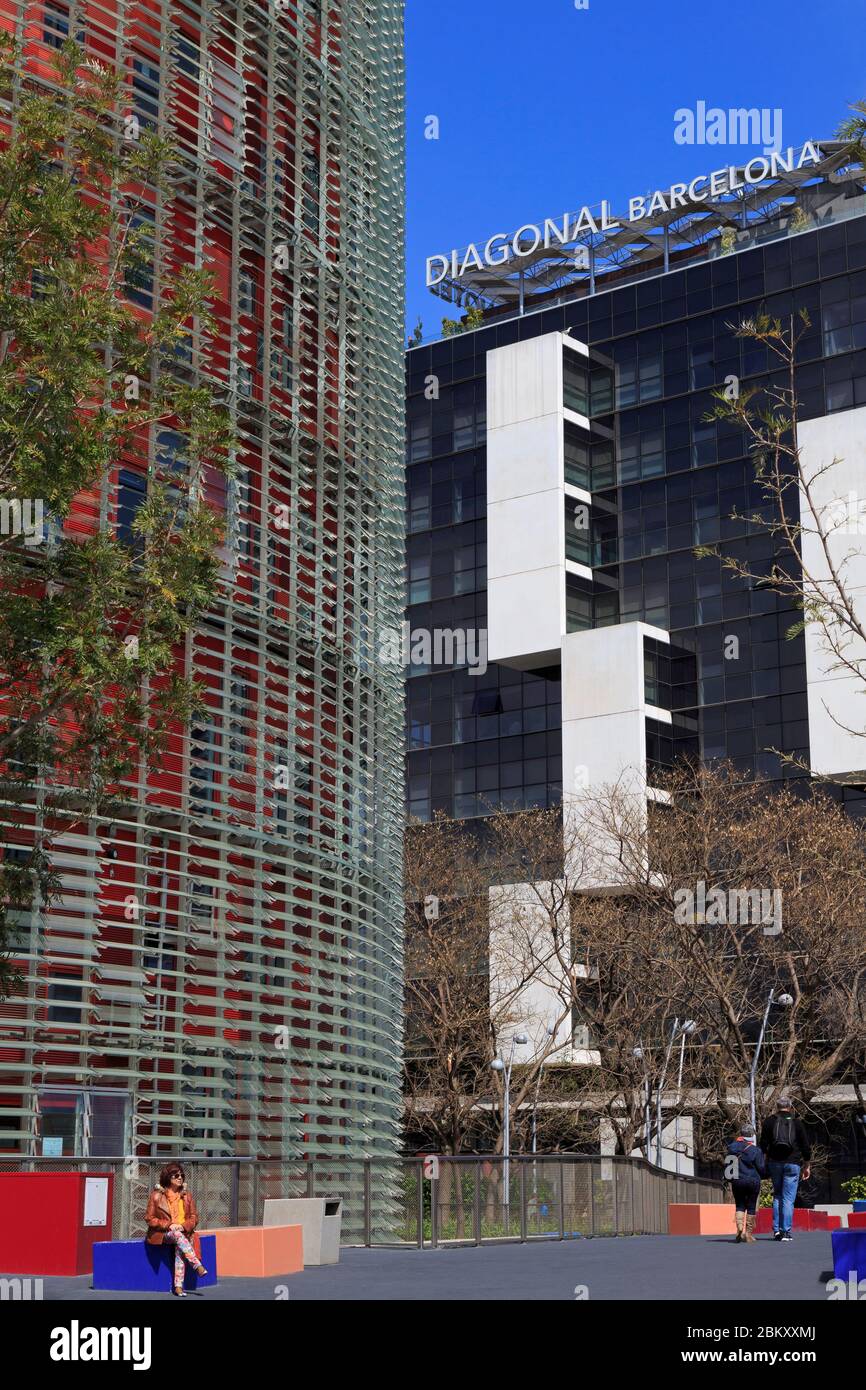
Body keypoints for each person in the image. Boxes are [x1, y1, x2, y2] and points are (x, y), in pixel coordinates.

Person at [145, 1162, 207, 1296]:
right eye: (176, 1175)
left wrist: (183, 1226)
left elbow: (194, 1217)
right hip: (164, 1233)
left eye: (181, 1175)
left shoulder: (186, 1196)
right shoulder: (157, 1196)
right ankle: (196, 1265)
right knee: (178, 1236)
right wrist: (169, 1225)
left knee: (180, 1247)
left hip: (182, 1232)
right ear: (168, 1177)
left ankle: (178, 1287)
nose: (180, 1178)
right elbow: (149, 1218)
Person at [759, 1096, 812, 1242]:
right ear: (790, 1107)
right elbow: (805, 1146)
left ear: (777, 1106)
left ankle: (776, 1231)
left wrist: (764, 1160)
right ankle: (786, 1232)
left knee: (777, 1195)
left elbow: (763, 1144)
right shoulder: (796, 1123)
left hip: (774, 1163)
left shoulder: (769, 1122)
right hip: (793, 1163)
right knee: (788, 1199)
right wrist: (807, 1164)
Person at [726, 1124, 764, 1243]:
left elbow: (728, 1164)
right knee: (751, 1206)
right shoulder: (755, 1150)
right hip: (752, 1180)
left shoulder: (731, 1147)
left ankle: (739, 1229)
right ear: (752, 1135)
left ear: (741, 1134)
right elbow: (761, 1168)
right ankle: (748, 1234)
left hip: (737, 1180)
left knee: (740, 1205)